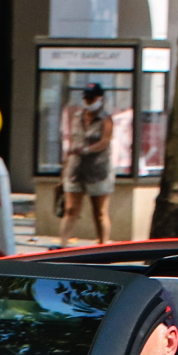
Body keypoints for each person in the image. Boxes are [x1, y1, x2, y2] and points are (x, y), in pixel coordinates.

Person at [62, 85, 117, 244]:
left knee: (99, 212)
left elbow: (105, 142)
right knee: (71, 209)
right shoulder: (77, 116)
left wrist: (86, 149)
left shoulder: (106, 119)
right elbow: (72, 142)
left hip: (98, 171)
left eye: (91, 98)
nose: (87, 101)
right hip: (76, 169)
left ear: (100, 99)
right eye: (86, 98)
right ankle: (62, 245)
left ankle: (103, 244)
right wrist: (65, 168)